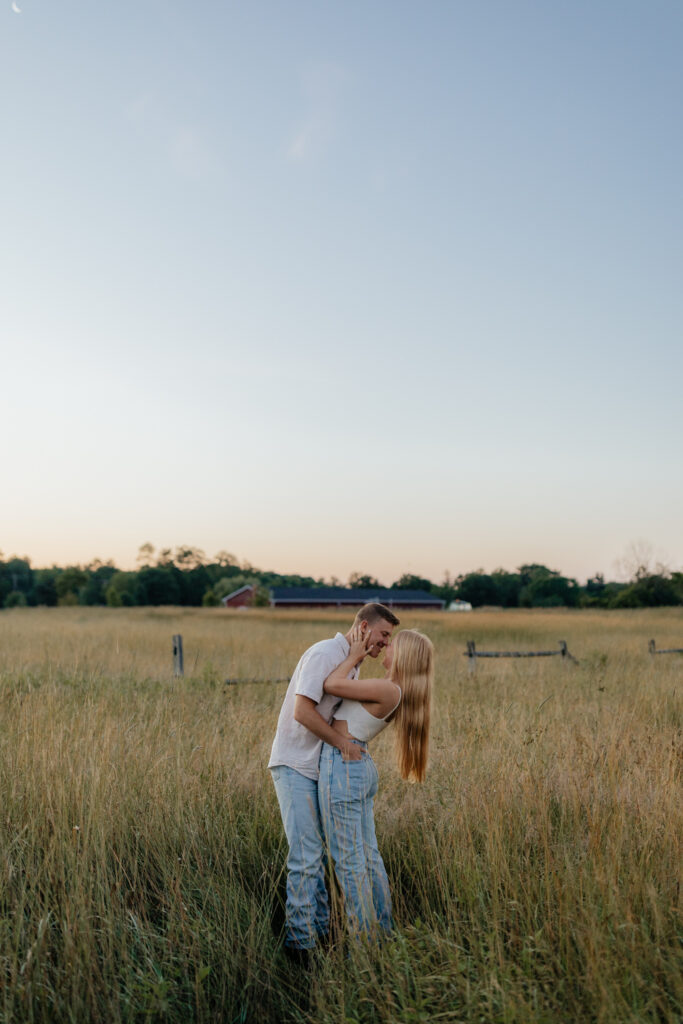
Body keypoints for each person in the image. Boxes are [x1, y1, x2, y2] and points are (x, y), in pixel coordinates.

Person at [268, 603, 400, 958]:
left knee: (319, 855)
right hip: (295, 764)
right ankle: (302, 947)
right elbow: (301, 711)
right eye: (383, 635)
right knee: (306, 857)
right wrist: (342, 743)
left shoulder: (352, 667)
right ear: (363, 626)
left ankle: (319, 934)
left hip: (318, 767)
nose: (386, 644)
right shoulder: (325, 653)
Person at [318, 626, 434, 939]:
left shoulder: (387, 690)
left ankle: (365, 946)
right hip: (357, 765)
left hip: (343, 766)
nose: (386, 648)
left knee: (349, 862)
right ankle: (382, 933)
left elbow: (331, 683)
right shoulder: (391, 688)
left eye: (392, 645)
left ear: (404, 655)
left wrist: (354, 655)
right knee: (367, 856)